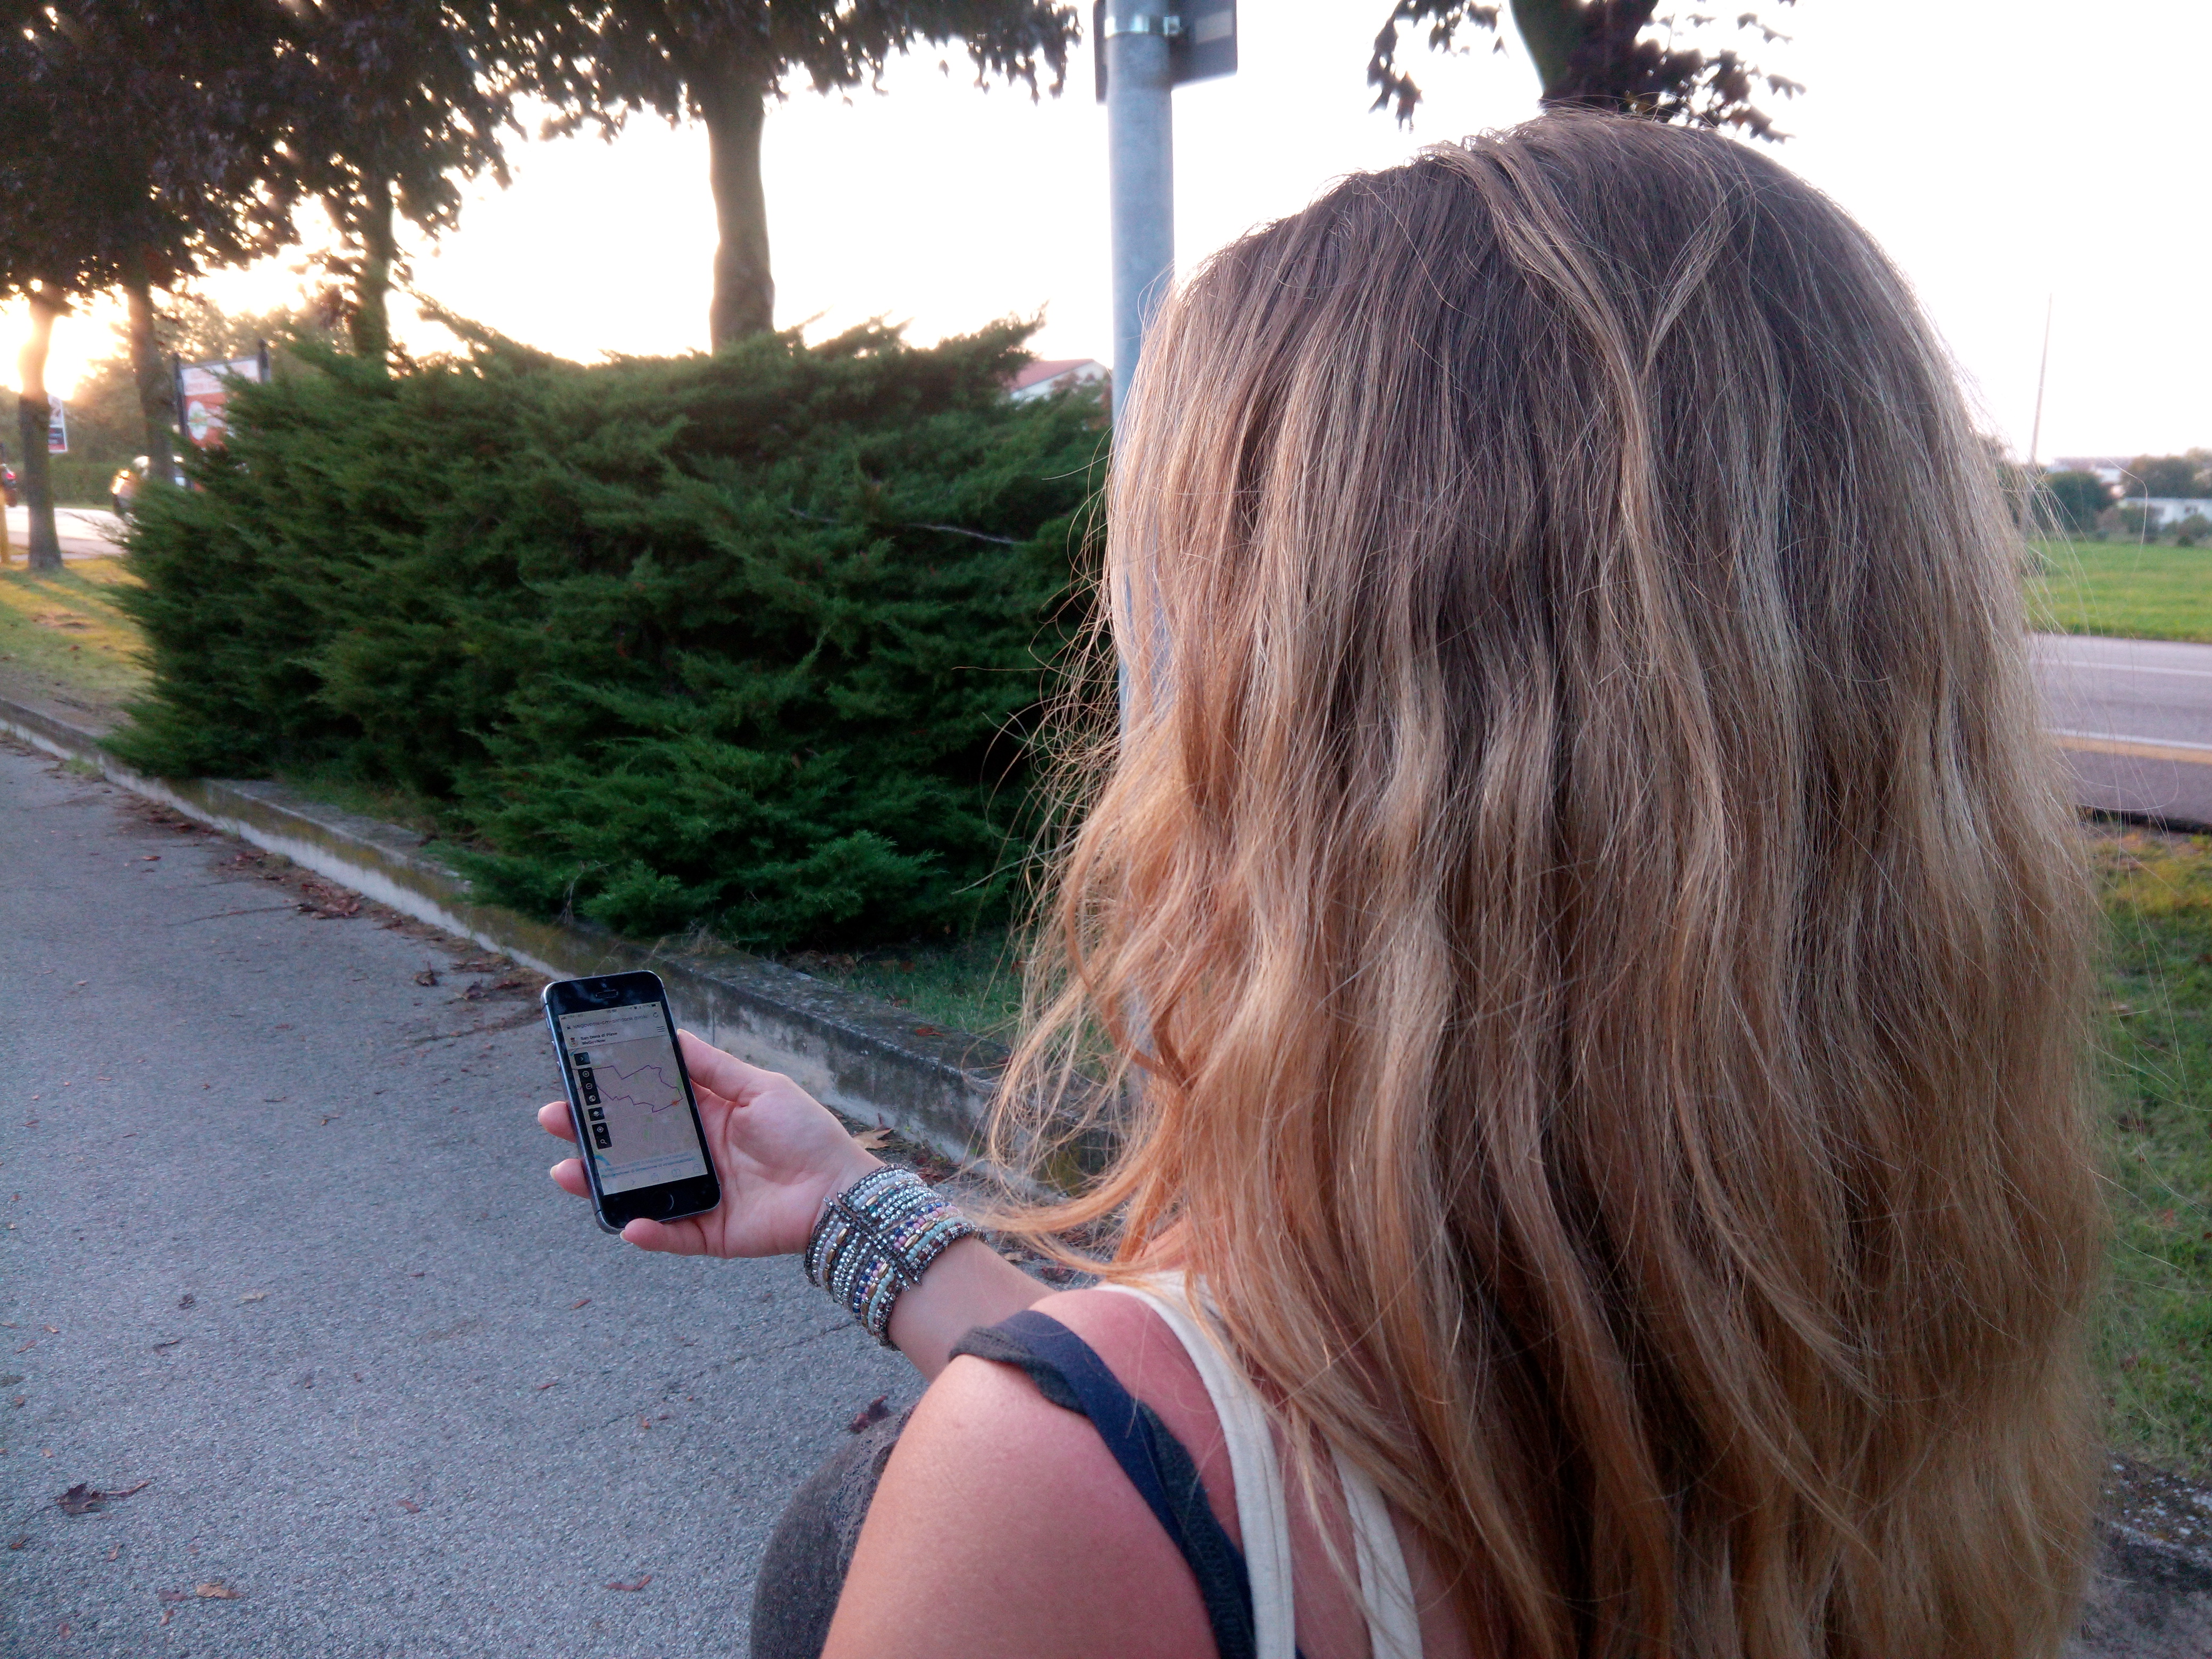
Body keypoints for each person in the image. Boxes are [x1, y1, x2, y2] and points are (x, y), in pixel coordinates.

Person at [537, 111, 2102, 1659]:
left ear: (1324, 709)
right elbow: (1271, 1452)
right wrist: (851, 1214)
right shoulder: (1901, 1366)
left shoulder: (1053, 1495)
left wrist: (1039, 1423)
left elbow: (1181, 1487)